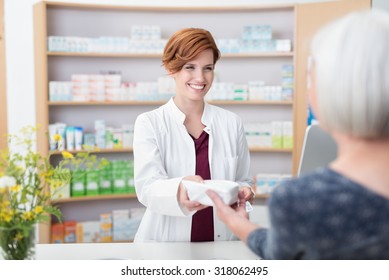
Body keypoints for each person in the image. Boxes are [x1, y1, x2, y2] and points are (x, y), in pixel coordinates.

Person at [207, 9, 389, 259]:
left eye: (312, 78)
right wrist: (239, 225)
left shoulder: (306, 200)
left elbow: (285, 256)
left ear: (333, 92)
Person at [133, 28, 254, 242]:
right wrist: (180, 188)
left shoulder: (231, 123)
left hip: (222, 240)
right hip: (167, 243)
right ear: (172, 68)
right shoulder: (150, 122)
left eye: (208, 68)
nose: (200, 77)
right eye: (190, 67)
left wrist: (244, 191)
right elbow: (147, 188)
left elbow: (242, 179)